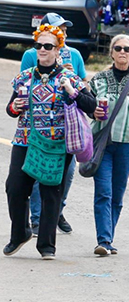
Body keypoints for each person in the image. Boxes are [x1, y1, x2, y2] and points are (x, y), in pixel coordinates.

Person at [4, 24, 96, 260]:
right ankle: (20, 233)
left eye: (48, 46)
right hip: (25, 141)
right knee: (15, 188)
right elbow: (10, 109)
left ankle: (46, 245)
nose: (42, 49)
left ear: (57, 50)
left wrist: (72, 92)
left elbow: (92, 106)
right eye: (38, 45)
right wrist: (15, 107)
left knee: (51, 192)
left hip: (57, 144)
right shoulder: (24, 77)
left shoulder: (69, 78)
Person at [21, 13, 87, 236]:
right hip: (38, 127)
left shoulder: (74, 54)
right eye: (59, 29)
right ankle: (37, 218)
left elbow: (84, 84)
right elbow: (23, 86)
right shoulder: (31, 55)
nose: (64, 33)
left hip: (66, 126)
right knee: (40, 174)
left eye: (65, 30)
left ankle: (57, 211)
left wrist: (71, 79)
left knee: (66, 174)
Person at [88, 35, 129, 256]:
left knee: (117, 194)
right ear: (112, 52)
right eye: (118, 48)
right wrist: (93, 112)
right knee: (103, 192)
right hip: (103, 144)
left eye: (127, 49)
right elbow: (87, 105)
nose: (122, 52)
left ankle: (109, 238)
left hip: (127, 145)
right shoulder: (98, 79)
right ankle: (104, 240)